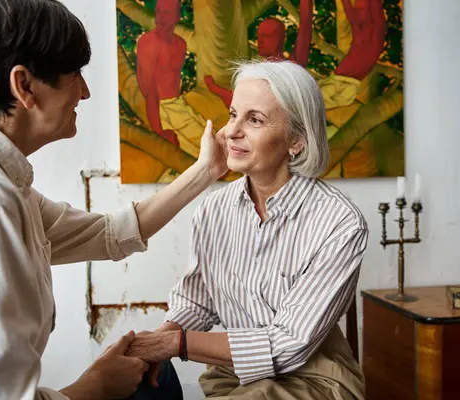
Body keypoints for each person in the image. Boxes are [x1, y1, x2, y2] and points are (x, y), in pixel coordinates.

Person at [0, 0, 228, 399]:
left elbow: (108, 234)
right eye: (74, 75)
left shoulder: (1, 184)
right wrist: (93, 386)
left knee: (158, 376)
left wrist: (206, 170)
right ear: (24, 85)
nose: (85, 92)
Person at [125, 61, 369, 399]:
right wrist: (155, 343)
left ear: (296, 140)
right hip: (234, 377)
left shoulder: (340, 223)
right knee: (133, 378)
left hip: (313, 381)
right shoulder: (215, 208)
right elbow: (198, 299)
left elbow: (288, 346)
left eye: (254, 120)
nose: (232, 132)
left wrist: (173, 343)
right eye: (233, 114)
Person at [204, 0, 313, 109]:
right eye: (259, 36)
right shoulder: (254, 71)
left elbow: (305, 25)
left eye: (267, 36)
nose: (260, 41)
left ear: (281, 39)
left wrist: (214, 88)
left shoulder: (291, 68)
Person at [136, 0, 208, 157]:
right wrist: (158, 130)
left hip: (178, 104)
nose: (161, 17)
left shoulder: (180, 44)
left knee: (214, 143)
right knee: (201, 154)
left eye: (166, 12)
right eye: (158, 12)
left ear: (177, 16)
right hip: (161, 108)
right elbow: (149, 89)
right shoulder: (148, 42)